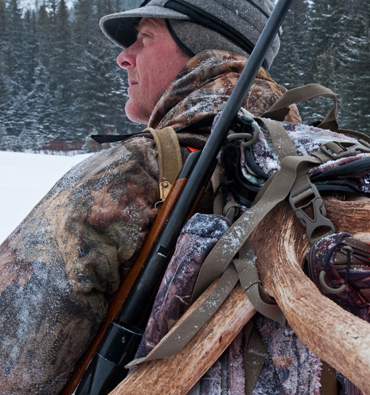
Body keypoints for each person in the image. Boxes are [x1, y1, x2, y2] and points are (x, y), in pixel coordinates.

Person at [0, 0, 299, 393]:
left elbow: (15, 352)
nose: (124, 57)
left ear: (202, 44)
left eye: (144, 37)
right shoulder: (327, 161)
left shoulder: (132, 169)